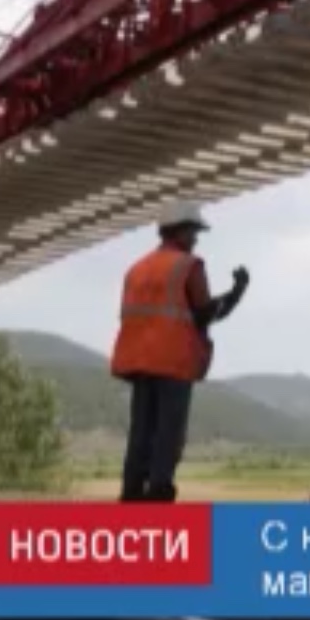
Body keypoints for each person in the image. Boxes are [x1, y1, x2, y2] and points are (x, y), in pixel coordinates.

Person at [110, 200, 250, 502]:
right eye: (193, 232)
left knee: (141, 432)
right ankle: (158, 495)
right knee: (168, 434)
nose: (196, 239)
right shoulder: (188, 266)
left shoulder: (137, 269)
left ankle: (131, 495)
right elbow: (204, 313)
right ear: (180, 231)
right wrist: (236, 292)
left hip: (138, 360)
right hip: (172, 360)